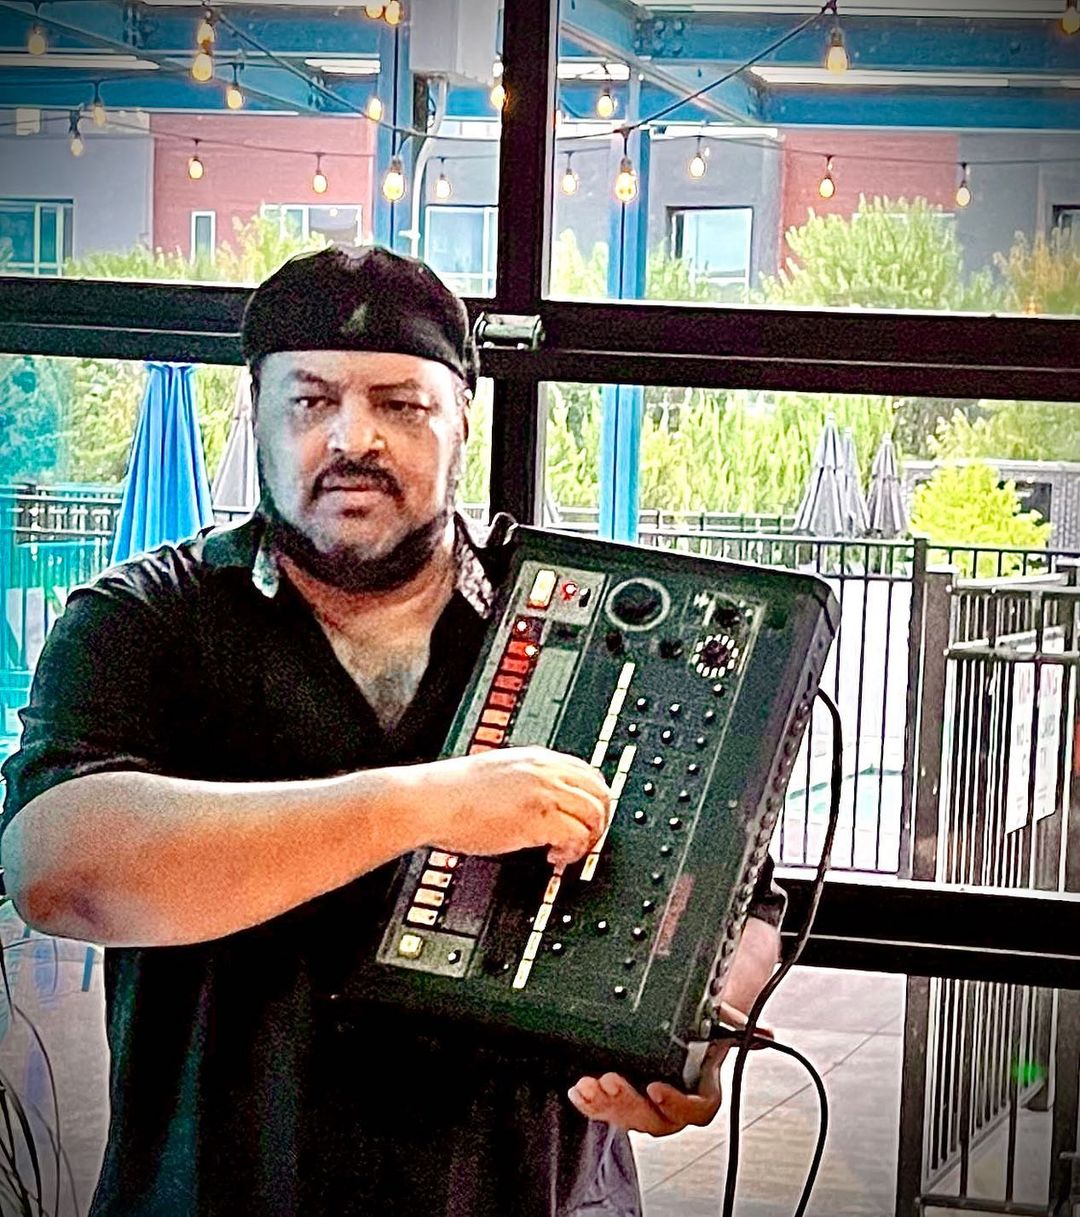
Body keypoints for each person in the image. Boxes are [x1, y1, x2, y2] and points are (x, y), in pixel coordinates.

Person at [1, 246, 784, 1217]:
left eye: (401, 404)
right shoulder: (143, 620)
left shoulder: (604, 614)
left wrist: (701, 1031)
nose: (352, 437)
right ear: (256, 413)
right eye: (310, 400)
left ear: (464, 419)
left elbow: (744, 888)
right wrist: (427, 803)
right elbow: (58, 868)